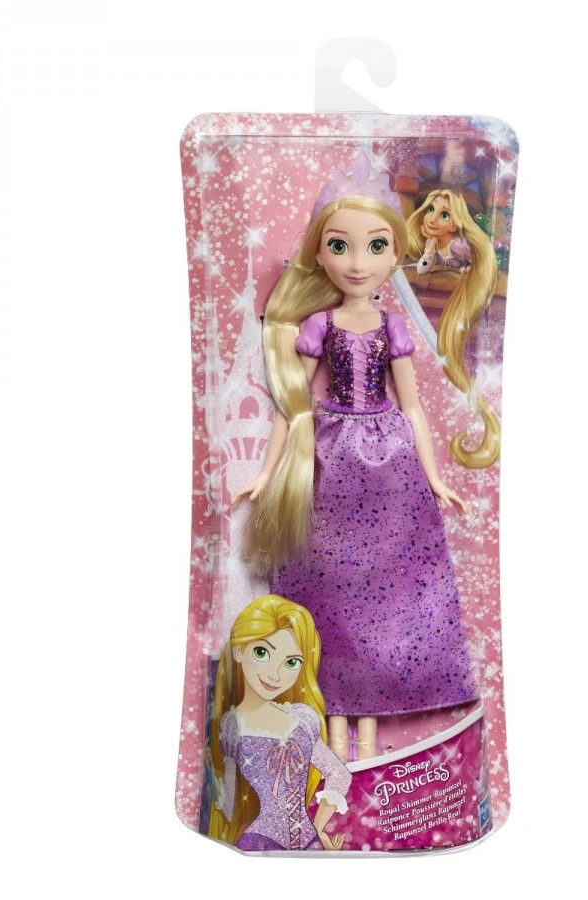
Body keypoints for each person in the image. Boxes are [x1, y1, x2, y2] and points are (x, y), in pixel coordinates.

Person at [233, 154, 479, 762]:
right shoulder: (320, 325)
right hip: (330, 458)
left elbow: (413, 407)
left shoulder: (393, 328)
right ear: (320, 254)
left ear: (396, 255)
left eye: (375, 247)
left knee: (390, 592)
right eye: (340, 246)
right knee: (329, 588)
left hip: (390, 463)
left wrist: (435, 479)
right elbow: (293, 405)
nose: (358, 263)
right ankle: (335, 739)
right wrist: (266, 473)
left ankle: (372, 747)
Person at [207, 594, 350, 851]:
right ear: (239, 650)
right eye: (261, 652)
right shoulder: (231, 725)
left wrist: (318, 828)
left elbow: (339, 774)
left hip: (311, 843)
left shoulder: (301, 719)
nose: (275, 674)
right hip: (259, 842)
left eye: (291, 662)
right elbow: (229, 802)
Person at [406, 189, 501, 468]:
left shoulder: (460, 245)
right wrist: (429, 249)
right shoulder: (434, 243)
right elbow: (422, 269)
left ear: (456, 222)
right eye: (431, 210)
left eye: (444, 214)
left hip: (456, 309)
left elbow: (475, 265)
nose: (433, 218)